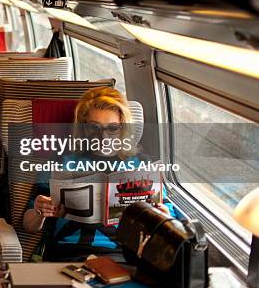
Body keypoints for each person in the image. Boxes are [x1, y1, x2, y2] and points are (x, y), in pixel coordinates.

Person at [23, 87, 170, 262]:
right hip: (67, 252)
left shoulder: (142, 166)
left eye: (112, 128)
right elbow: (28, 226)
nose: (103, 137)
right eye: (94, 128)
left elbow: (168, 216)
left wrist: (162, 215)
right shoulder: (61, 161)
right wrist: (39, 211)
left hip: (126, 256)